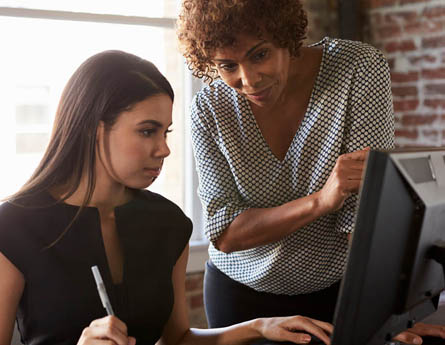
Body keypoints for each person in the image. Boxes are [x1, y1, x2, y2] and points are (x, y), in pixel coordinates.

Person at [0, 50, 335, 345]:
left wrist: (260, 327)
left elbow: (177, 339)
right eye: (147, 131)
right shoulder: (13, 227)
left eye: (165, 132)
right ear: (94, 128)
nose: (164, 149)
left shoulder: (168, 223)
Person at [176, 0, 445, 343]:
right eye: (228, 66)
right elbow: (225, 232)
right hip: (241, 296)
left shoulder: (357, 68)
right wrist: (321, 201)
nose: (249, 79)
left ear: (285, 36)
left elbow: (359, 213)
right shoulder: (208, 108)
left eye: (260, 55)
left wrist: (391, 313)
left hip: (336, 292)